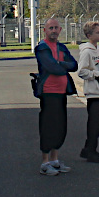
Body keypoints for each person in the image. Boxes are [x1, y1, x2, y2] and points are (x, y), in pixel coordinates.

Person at [34, 17, 77, 175]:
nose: (53, 30)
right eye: (50, 28)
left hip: (61, 92)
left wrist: (61, 64)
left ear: (60, 30)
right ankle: (45, 163)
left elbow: (74, 65)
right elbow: (52, 67)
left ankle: (55, 160)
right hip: (48, 92)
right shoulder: (42, 48)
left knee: (60, 126)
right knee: (48, 127)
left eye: (56, 28)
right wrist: (61, 65)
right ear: (45, 30)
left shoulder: (61, 47)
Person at [76, 20, 99, 163]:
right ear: (89, 35)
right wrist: (97, 74)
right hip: (93, 92)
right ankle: (90, 150)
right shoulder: (87, 52)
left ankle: (89, 148)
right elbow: (82, 71)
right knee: (95, 122)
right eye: (97, 32)